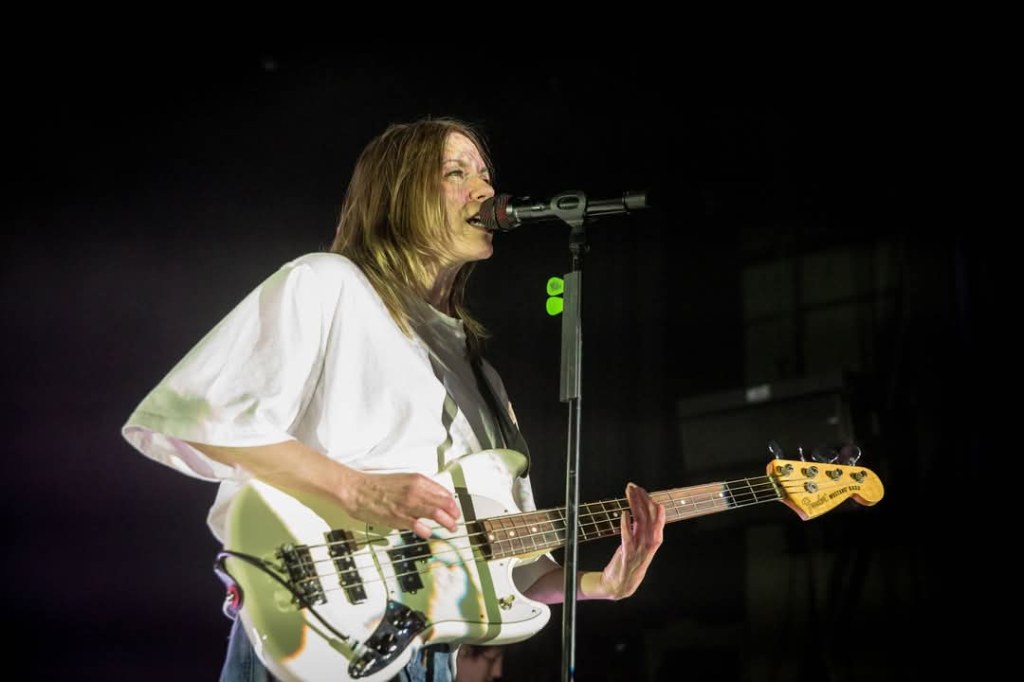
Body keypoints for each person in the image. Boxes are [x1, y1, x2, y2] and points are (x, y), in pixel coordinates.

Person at [121, 116, 666, 682]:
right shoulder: (328, 283)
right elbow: (194, 419)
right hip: (316, 628)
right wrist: (357, 489)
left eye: (485, 174)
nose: (485, 190)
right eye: (456, 173)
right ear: (399, 196)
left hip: (428, 654)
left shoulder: (481, 375)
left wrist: (600, 584)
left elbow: (504, 565)